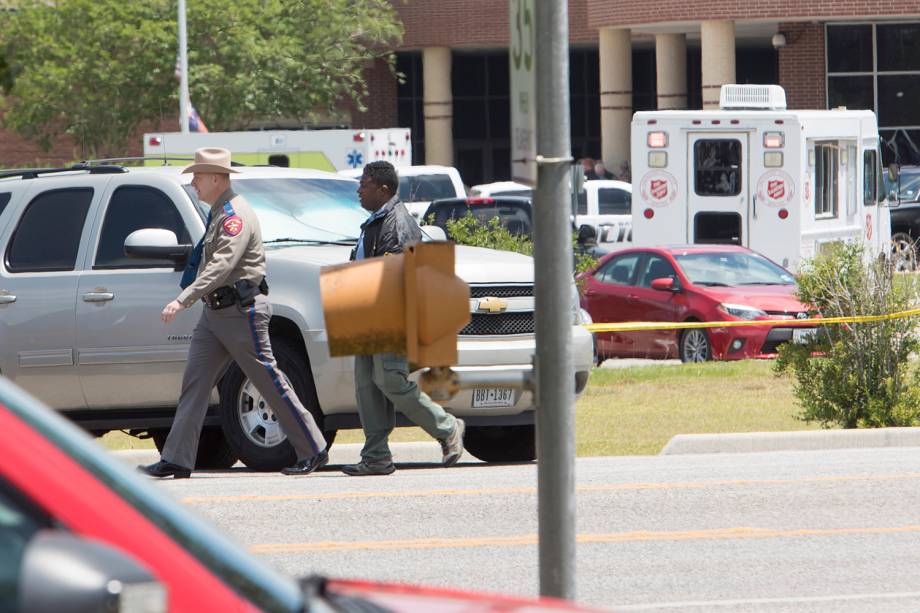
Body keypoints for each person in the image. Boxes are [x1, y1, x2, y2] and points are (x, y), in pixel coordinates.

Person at [139, 147, 328, 479]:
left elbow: (221, 267)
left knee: (268, 380)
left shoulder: (234, 216)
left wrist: (183, 299)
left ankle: (313, 448)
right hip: (215, 314)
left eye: (197, 176)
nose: (194, 182)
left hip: (241, 313)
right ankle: (178, 459)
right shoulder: (217, 212)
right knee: (194, 385)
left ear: (215, 178)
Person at [344, 160, 465, 476]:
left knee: (390, 380)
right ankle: (376, 456)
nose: (359, 189)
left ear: (383, 189)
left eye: (365, 184)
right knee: (367, 385)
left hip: (390, 316)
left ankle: (447, 427)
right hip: (368, 315)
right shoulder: (375, 220)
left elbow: (396, 274)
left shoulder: (397, 223)